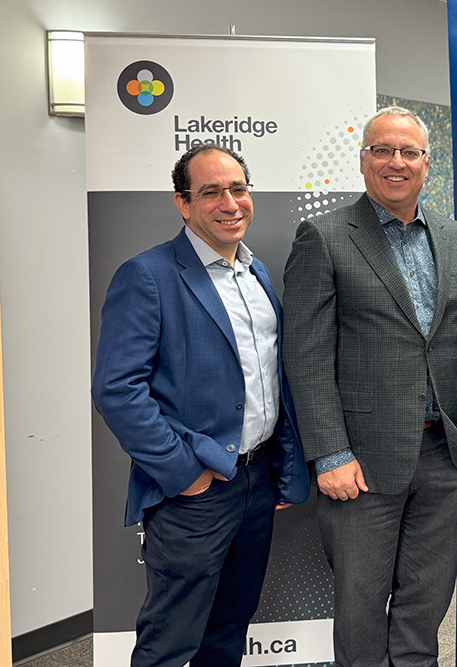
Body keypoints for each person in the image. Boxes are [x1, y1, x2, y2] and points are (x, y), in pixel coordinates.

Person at [282, 106, 457, 667]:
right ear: (363, 161)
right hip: (360, 465)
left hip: (446, 456)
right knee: (359, 607)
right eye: (383, 150)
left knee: (425, 608)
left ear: (428, 164)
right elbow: (305, 357)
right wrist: (330, 453)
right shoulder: (324, 237)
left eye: (409, 152)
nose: (395, 162)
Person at [92, 144, 310, 667]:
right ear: (183, 203)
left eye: (237, 188)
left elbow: (268, 380)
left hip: (256, 483)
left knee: (229, 629)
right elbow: (117, 389)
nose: (229, 202)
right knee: (170, 642)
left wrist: (279, 466)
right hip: (196, 489)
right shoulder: (148, 275)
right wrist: (183, 471)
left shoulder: (257, 276)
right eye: (210, 191)